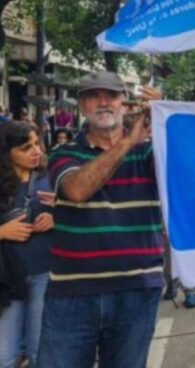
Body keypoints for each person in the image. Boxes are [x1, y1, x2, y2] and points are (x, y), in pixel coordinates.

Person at [37, 72, 164, 368]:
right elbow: (77, 190)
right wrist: (128, 142)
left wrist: (167, 120)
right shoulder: (64, 152)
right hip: (73, 294)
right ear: (82, 105)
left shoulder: (149, 152)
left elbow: (187, 170)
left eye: (111, 95)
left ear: (124, 102)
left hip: (137, 288)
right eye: (94, 96)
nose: (103, 102)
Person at [0, 122, 54, 368]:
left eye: (37, 144)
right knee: (5, 356)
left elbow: (78, 212)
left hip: (45, 272)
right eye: (26, 147)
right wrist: (2, 232)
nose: (36, 151)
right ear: (7, 152)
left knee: (40, 351)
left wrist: (56, 217)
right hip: (7, 281)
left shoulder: (50, 177)